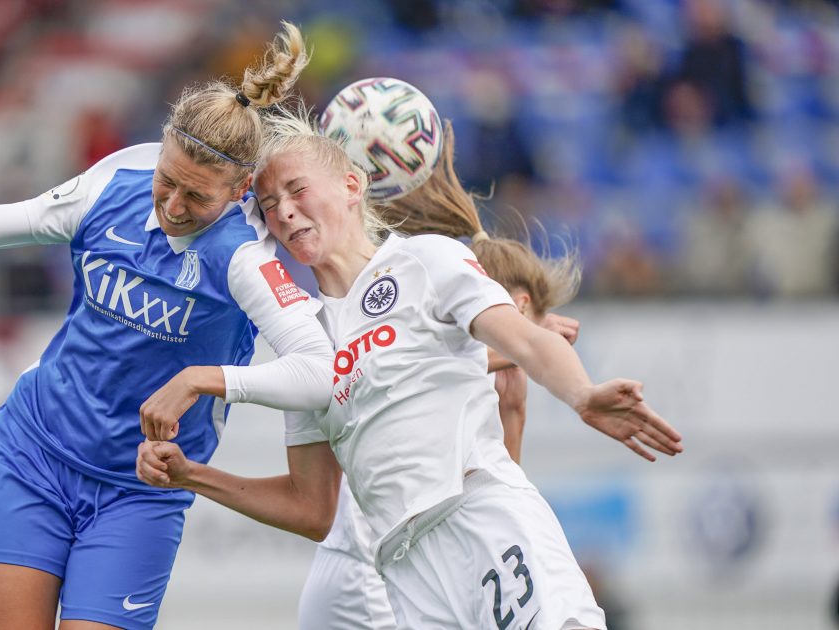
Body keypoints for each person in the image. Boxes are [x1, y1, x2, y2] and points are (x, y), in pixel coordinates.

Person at [0, 23, 336, 630]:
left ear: (240, 191)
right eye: (168, 181)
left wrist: (205, 380)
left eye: (198, 197)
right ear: (158, 150)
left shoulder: (244, 258)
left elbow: (320, 371)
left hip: (137, 491)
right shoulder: (110, 186)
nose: (174, 205)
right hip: (32, 454)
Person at [137, 113, 683, 628]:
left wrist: (582, 394)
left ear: (352, 187)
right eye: (269, 202)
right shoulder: (305, 347)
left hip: (482, 521)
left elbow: (529, 340)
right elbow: (311, 507)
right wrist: (191, 476)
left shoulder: (426, 260)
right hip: (405, 573)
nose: (283, 210)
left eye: (298, 190)